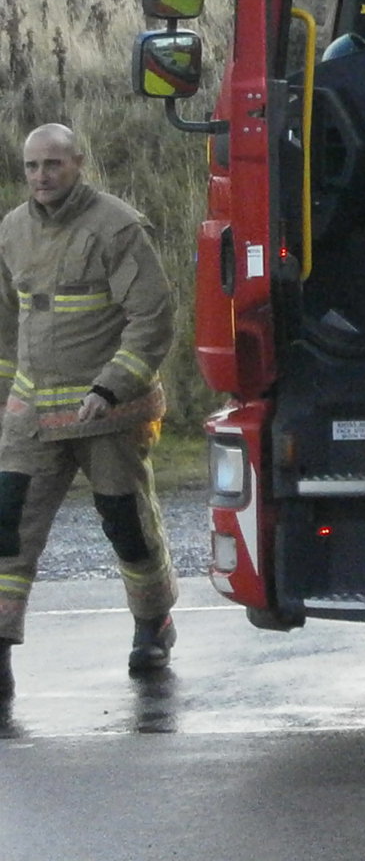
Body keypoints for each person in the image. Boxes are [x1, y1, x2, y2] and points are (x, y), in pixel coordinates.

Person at [0, 124, 179, 703]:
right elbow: (5, 322)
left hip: (106, 418)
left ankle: (152, 625)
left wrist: (111, 387)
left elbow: (153, 317)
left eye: (53, 164)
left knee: (127, 525)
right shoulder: (11, 230)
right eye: (32, 166)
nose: (41, 176)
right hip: (31, 420)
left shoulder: (117, 227)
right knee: (7, 531)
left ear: (79, 162)